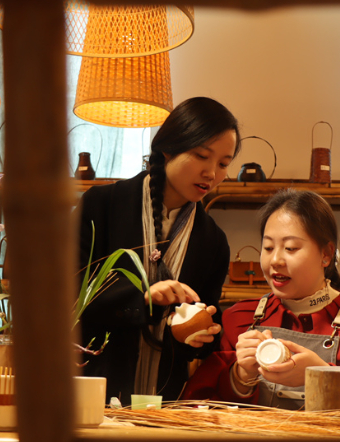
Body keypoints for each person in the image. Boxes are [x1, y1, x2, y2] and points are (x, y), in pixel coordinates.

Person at [77, 97, 241, 405]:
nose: (211, 173)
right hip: (90, 389)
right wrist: (143, 298)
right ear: (169, 149)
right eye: (201, 156)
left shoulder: (213, 241)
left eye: (223, 164)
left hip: (165, 401)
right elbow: (69, 293)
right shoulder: (101, 206)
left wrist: (198, 335)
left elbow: (202, 334)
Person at [182, 189, 340, 409]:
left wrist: (324, 375)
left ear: (326, 254)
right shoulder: (240, 321)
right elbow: (199, 409)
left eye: (290, 248)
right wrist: (240, 377)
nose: (275, 260)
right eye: (268, 247)